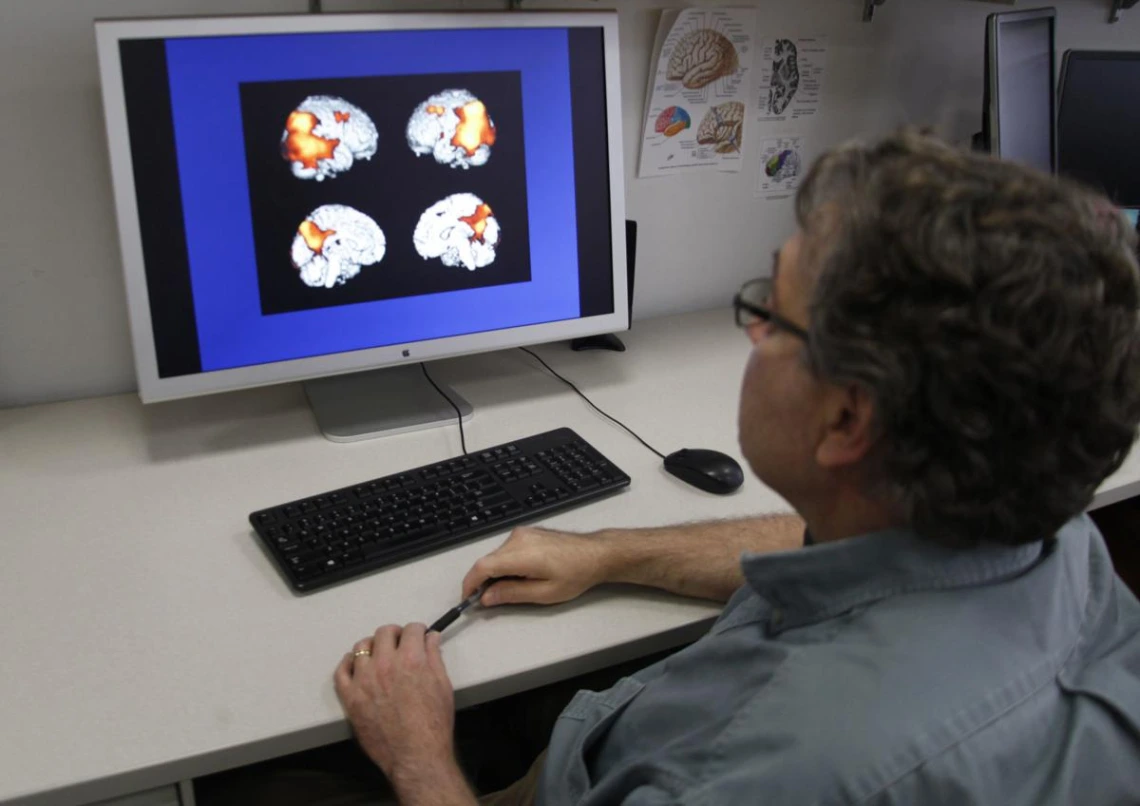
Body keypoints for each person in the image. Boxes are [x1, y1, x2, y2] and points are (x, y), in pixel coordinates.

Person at [333, 130, 1140, 804]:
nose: (750, 337)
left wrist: (418, 754)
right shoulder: (1045, 530)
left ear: (847, 419)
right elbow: (861, 555)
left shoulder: (762, 776)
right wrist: (609, 553)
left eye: (768, 311)